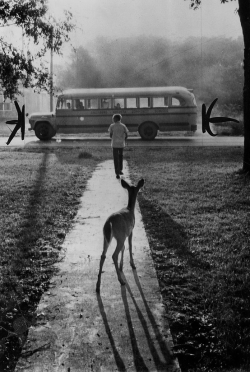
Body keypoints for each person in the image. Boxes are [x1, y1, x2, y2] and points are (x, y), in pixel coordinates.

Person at [108, 114, 129, 179]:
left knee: (115, 158)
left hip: (114, 144)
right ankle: (120, 170)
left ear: (115, 119)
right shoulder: (123, 125)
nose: (113, 120)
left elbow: (110, 135)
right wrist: (124, 140)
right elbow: (126, 134)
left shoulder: (112, 126)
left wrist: (114, 137)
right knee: (120, 157)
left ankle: (117, 173)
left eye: (113, 119)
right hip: (121, 144)